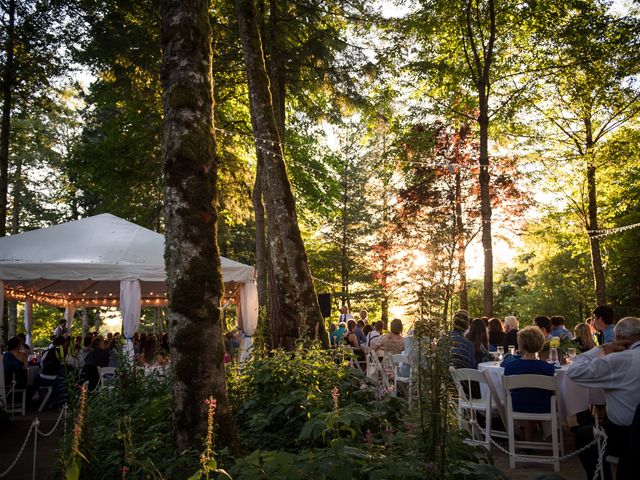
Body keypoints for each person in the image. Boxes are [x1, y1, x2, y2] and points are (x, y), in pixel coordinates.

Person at [568, 317, 640, 480]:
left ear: (620, 339)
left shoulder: (621, 360)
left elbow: (575, 371)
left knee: (584, 435)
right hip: (628, 431)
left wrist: (602, 348)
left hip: (627, 435)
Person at [502, 326, 555, 413]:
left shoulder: (510, 367)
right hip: (543, 408)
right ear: (541, 344)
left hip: (517, 407)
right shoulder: (548, 368)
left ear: (520, 345)